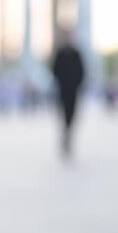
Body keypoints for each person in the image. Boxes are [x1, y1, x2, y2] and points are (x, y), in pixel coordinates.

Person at [51, 32, 85, 161]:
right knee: (63, 114)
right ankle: (65, 136)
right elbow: (54, 70)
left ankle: (68, 135)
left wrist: (77, 83)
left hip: (74, 91)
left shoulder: (76, 54)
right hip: (62, 91)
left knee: (72, 115)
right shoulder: (59, 54)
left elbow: (82, 71)